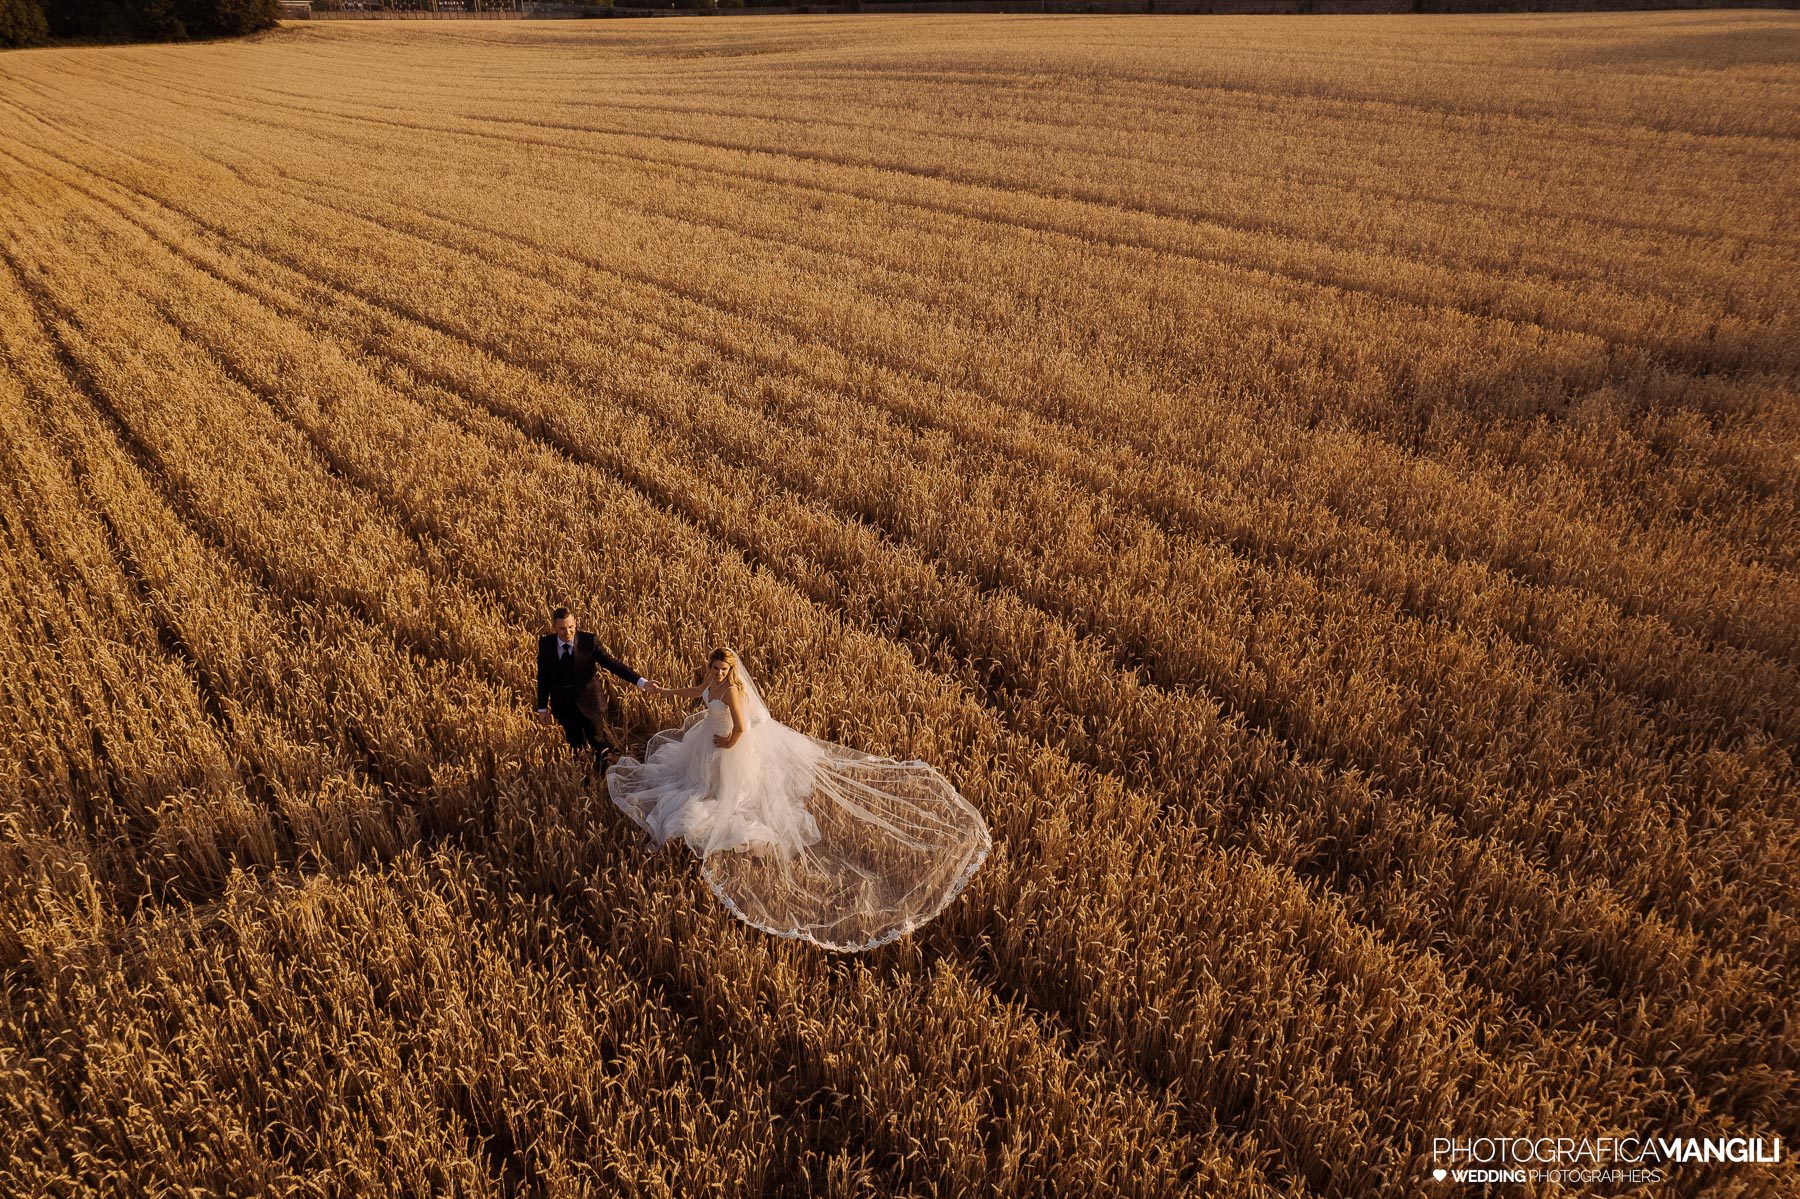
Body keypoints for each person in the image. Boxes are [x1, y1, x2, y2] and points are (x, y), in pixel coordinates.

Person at [606, 648, 991, 952]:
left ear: (732, 672)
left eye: (723, 670)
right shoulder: (710, 684)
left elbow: (740, 727)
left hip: (727, 748)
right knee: (696, 782)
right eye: (714, 669)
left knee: (730, 796)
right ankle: (714, 793)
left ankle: (734, 812)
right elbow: (694, 693)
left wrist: (730, 743)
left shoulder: (735, 693)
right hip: (708, 745)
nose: (717, 675)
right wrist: (664, 691)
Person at [534, 606, 656, 762]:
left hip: (590, 703)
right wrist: (542, 708)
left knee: (599, 744)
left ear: (575, 623)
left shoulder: (588, 641)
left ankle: (602, 775)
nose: (568, 632)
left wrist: (642, 683)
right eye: (562, 629)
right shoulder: (546, 644)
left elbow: (613, 665)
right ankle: (583, 781)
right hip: (563, 706)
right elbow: (543, 677)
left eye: (571, 627)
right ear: (555, 627)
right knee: (575, 746)